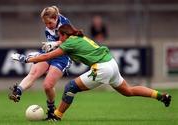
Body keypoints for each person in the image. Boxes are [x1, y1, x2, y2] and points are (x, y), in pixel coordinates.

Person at [11, 24, 171, 121]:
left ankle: (57, 116)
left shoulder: (69, 43)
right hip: (111, 63)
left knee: (70, 87)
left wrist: (27, 59)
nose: (59, 38)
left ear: (65, 35)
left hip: (102, 68)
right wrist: (55, 44)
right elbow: (64, 44)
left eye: (60, 36)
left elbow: (47, 56)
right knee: (128, 91)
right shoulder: (79, 37)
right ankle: (161, 96)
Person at [9, 6, 72, 120]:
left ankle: (52, 111)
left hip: (62, 56)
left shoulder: (65, 24)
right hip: (48, 53)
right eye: (45, 23)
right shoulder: (48, 27)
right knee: (33, 73)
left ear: (56, 17)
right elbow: (49, 48)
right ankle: (18, 91)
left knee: (47, 86)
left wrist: (56, 43)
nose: (47, 26)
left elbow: (73, 41)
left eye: (49, 23)